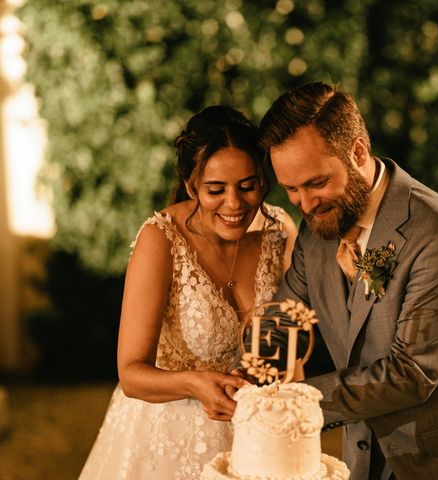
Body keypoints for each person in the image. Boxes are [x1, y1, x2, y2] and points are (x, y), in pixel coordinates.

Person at [258, 82, 438, 480]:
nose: (305, 204)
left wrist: (286, 404)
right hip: (367, 465)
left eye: (317, 183)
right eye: (291, 189)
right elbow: (280, 323)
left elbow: (410, 374)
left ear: (358, 151)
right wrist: (248, 374)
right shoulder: (316, 234)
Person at [79, 105, 297, 480]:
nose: (234, 204)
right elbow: (131, 374)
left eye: (248, 186)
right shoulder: (161, 240)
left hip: (256, 433)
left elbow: (291, 345)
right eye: (216, 189)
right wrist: (195, 383)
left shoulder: (279, 231)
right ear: (191, 184)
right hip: (167, 437)